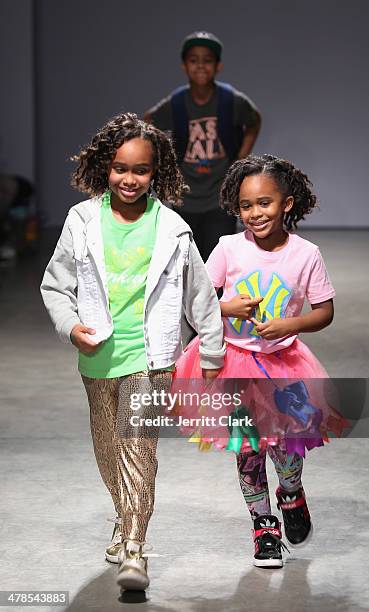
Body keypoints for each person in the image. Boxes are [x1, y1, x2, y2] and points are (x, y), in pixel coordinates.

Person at [40, 113, 224, 592]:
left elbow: (199, 294)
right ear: (105, 167)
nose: (129, 179)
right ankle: (125, 518)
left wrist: (211, 350)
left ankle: (136, 549)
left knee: (139, 453)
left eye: (140, 170)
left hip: (153, 358)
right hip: (98, 356)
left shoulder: (173, 228)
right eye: (120, 168)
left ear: (156, 171)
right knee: (108, 451)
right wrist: (71, 326)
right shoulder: (82, 220)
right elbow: (55, 285)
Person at [175, 154, 348, 568]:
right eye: (246, 205)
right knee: (248, 451)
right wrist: (226, 307)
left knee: (287, 451)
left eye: (265, 203)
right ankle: (263, 528)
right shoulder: (227, 248)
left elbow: (324, 311)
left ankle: (291, 494)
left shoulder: (306, 255)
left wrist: (291, 323)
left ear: (287, 203)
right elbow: (196, 304)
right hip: (234, 364)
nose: (255, 214)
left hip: (284, 365)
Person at [144, 31, 261, 261]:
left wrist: (240, 160)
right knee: (186, 260)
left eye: (207, 60)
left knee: (218, 261)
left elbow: (254, 120)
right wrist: (164, 159)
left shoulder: (230, 100)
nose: (200, 66)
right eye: (193, 60)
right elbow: (148, 122)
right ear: (184, 66)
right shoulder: (177, 102)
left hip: (220, 195)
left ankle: (217, 299)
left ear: (218, 66)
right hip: (185, 196)